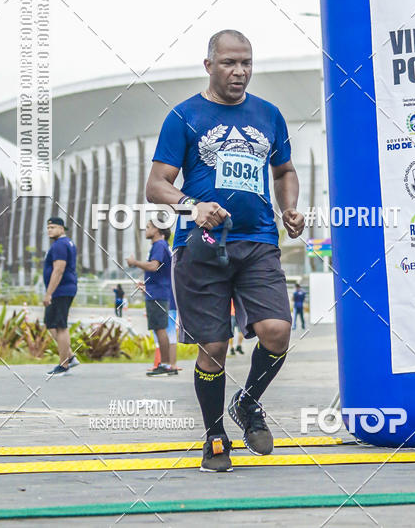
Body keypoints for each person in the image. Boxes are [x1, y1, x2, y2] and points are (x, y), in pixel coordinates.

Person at [146, 29, 305, 472]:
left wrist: (289, 207)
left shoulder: (269, 114)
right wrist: (193, 207)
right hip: (202, 247)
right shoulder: (184, 116)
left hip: (258, 242)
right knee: (213, 347)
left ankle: (248, 402)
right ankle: (215, 434)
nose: (240, 72)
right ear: (209, 65)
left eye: (247, 63)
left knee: (276, 331)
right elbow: (156, 185)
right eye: (230, 63)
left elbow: (285, 170)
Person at [127, 219, 177, 376]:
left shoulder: (159, 245)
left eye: (148, 227)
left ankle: (165, 364)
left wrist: (135, 262)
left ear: (157, 230)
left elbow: (154, 266)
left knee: (159, 328)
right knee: (160, 328)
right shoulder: (162, 246)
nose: (146, 230)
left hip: (158, 294)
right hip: (159, 291)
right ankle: (167, 364)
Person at [43, 216, 79, 376]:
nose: (49, 230)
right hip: (63, 289)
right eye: (48, 228)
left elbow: (59, 269)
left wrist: (49, 293)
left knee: (60, 325)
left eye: (53, 227)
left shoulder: (60, 245)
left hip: (61, 290)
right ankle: (70, 356)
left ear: (62, 229)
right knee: (50, 323)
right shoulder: (66, 243)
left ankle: (64, 365)